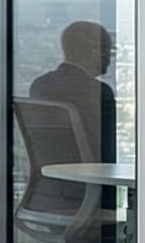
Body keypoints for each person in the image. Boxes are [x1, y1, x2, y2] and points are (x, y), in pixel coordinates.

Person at [28, 20, 117, 163]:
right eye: (109, 50)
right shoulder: (98, 92)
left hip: (49, 178)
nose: (110, 58)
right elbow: (106, 157)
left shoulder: (40, 85)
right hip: (89, 180)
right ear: (95, 50)